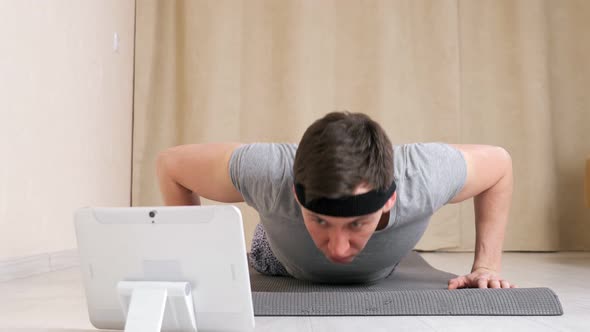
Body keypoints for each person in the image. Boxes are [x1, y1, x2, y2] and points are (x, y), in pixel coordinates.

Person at [156, 112, 516, 289]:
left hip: (385, 261)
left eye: (357, 224)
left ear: (389, 200)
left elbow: (499, 164)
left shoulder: (424, 176)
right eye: (322, 221)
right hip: (279, 259)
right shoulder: (267, 172)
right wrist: (194, 264)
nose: (340, 248)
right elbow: (171, 166)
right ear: (298, 196)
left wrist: (487, 266)